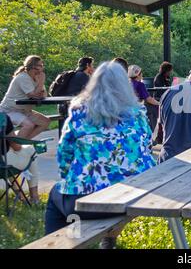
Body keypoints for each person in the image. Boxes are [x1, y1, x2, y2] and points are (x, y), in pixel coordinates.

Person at [45, 61, 156, 237]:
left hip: (87, 202)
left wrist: (71, 177)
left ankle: (61, 242)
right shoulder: (138, 115)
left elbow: (64, 157)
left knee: (56, 194)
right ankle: (108, 242)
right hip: (133, 197)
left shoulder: (80, 113)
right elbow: (147, 146)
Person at [0, 55, 50, 139]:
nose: (42, 68)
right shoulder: (23, 77)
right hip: (8, 110)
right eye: (40, 65)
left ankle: (21, 142)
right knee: (29, 125)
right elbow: (33, 95)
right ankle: (17, 145)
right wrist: (41, 82)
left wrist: (40, 85)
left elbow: (43, 95)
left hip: (24, 110)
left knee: (45, 121)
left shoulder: (36, 78)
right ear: (33, 66)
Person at [0, 113, 40, 204]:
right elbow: (16, 147)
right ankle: (34, 197)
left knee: (8, 157)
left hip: (4, 163)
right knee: (31, 149)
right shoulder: (2, 118)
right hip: (3, 166)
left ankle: (20, 195)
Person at [151, 62, 173, 143]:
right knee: (160, 120)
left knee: (164, 119)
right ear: (166, 70)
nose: (170, 72)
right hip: (159, 99)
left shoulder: (166, 77)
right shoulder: (159, 77)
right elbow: (160, 89)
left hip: (165, 98)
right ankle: (159, 137)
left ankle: (162, 136)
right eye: (169, 70)